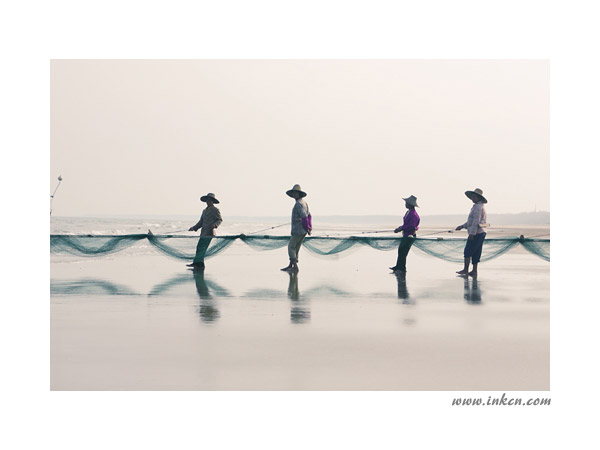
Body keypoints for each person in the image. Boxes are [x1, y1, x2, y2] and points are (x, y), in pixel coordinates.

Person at [455, 188, 488, 276]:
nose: (472, 198)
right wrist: (462, 226)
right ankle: (474, 270)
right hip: (481, 232)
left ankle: (466, 269)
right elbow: (470, 222)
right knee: (476, 252)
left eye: (474, 196)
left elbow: (475, 222)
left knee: (468, 251)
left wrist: (471, 234)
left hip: (477, 233)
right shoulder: (478, 206)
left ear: (478, 197)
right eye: (472, 196)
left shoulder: (478, 207)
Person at [187, 193, 223, 270]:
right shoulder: (204, 211)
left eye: (210, 200)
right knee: (199, 247)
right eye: (207, 200)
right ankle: (198, 264)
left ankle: (199, 264)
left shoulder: (215, 210)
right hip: (203, 232)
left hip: (209, 232)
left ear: (212, 201)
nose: (208, 201)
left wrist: (215, 225)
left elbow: (220, 220)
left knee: (202, 248)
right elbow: (201, 222)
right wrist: (194, 227)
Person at [281, 184, 311, 272]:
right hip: (303, 230)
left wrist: (307, 227)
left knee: (291, 247)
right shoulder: (304, 202)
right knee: (296, 247)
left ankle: (294, 267)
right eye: (293, 193)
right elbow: (309, 215)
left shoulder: (298, 204)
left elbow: (304, 216)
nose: (294, 195)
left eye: (295, 193)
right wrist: (309, 228)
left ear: (299, 194)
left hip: (298, 230)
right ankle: (292, 265)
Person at [390, 195, 420, 273]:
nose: (405, 204)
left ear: (410, 204)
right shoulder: (408, 212)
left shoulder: (413, 214)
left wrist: (401, 228)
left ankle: (402, 268)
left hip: (410, 236)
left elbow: (412, 226)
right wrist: (401, 228)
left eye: (406, 203)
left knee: (403, 251)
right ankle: (398, 266)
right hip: (406, 235)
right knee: (401, 250)